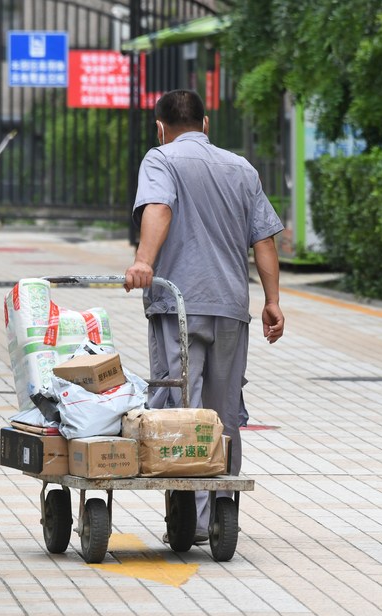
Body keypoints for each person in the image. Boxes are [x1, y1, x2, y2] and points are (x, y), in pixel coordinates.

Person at [124, 89, 285, 542]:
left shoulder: (161, 159)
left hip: (179, 305)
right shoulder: (241, 167)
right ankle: (221, 506)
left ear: (160, 127)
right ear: (206, 123)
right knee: (224, 409)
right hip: (232, 306)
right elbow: (265, 241)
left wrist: (144, 262)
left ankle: (191, 519)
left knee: (181, 406)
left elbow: (159, 207)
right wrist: (272, 300)